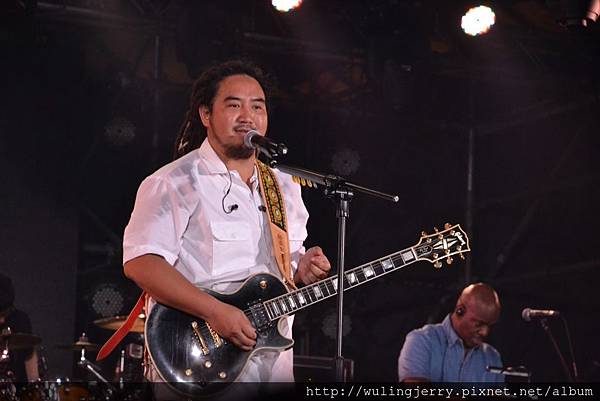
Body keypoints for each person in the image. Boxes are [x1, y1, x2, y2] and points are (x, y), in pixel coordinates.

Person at [122, 60, 331, 383]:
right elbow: (141, 263)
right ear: (206, 115)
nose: (248, 116)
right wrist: (215, 311)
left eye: (257, 107)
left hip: (273, 368)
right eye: (234, 105)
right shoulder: (174, 182)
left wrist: (302, 270)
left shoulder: (285, 186)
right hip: (199, 361)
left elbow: (283, 271)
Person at [397, 283, 503, 382]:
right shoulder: (421, 341)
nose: (485, 332)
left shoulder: (492, 357)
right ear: (460, 311)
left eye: (489, 325)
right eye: (479, 324)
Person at [0, 273, 40, 383]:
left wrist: (34, 386)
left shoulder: (20, 320)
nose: (2, 320)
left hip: (17, 384)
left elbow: (29, 355)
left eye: (4, 314)